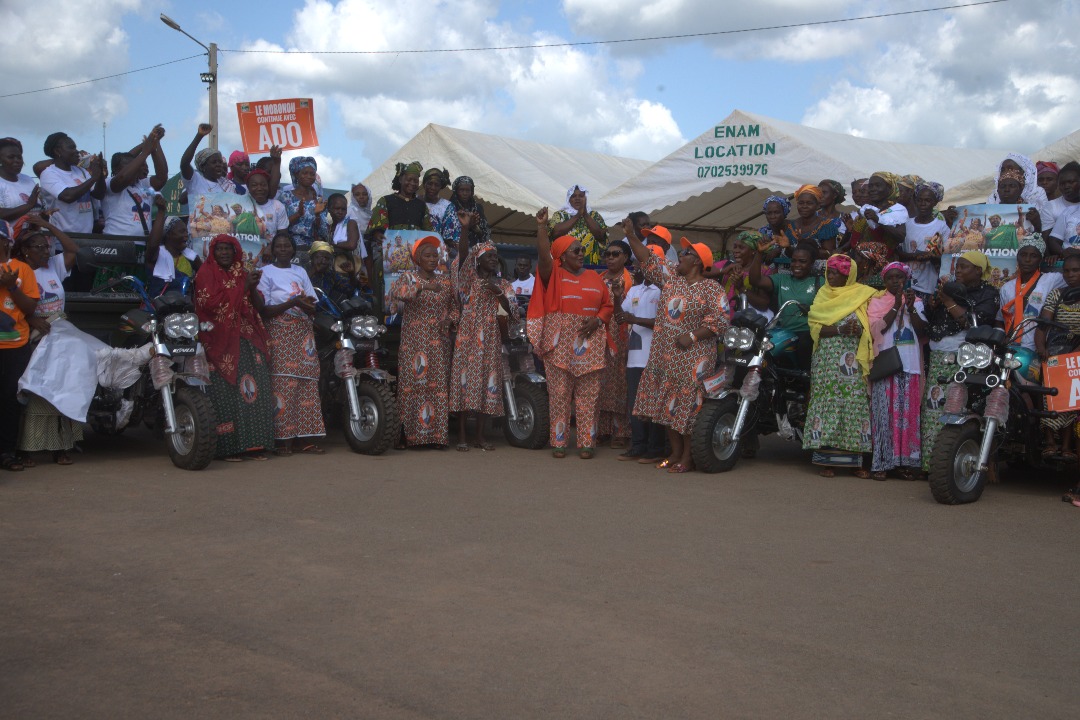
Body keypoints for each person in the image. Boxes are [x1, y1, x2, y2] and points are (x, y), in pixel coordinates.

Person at [623, 227, 729, 473]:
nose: (680, 255)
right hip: (666, 356)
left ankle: (688, 457)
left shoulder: (712, 288)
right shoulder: (672, 280)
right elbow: (649, 260)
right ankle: (675, 453)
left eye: (686, 253)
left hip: (694, 358)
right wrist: (631, 235)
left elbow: (721, 320)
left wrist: (692, 336)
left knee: (689, 408)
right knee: (668, 406)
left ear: (698, 261)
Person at [529, 208, 614, 458]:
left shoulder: (595, 277)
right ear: (562, 256)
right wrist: (542, 228)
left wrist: (598, 320)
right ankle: (559, 442)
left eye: (582, 249)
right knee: (559, 396)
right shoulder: (553, 274)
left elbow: (607, 305)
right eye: (575, 250)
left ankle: (587, 443)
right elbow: (544, 255)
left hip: (591, 343)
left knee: (589, 397)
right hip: (560, 346)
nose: (581, 253)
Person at [194, 234, 274, 462]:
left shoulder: (242, 272)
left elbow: (258, 305)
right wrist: (242, 288)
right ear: (213, 252)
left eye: (228, 249)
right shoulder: (205, 273)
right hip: (221, 341)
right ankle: (229, 448)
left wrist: (251, 287)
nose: (224, 253)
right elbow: (208, 304)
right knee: (227, 395)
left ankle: (256, 445)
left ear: (235, 251)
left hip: (248, 337)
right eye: (220, 249)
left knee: (256, 390)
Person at [921, 251, 1000, 473]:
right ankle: (931, 466)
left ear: (978, 270)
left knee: (959, 408)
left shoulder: (988, 293)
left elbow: (975, 323)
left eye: (964, 266)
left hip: (967, 357)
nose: (958, 270)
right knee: (933, 408)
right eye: (957, 266)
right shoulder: (949, 288)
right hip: (939, 356)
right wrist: (933, 304)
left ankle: (956, 467)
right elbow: (931, 319)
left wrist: (948, 302)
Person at [11, 215, 79, 465]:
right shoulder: (19, 270)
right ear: (25, 251)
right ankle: (25, 449)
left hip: (58, 332)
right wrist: (31, 319)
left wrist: (48, 226)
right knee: (34, 391)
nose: (45, 251)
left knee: (62, 387)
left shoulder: (54, 266)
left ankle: (61, 447)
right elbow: (11, 303)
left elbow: (72, 249)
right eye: (38, 247)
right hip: (34, 335)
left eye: (46, 246)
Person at [803, 254, 879, 477]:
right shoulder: (822, 295)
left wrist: (859, 330)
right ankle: (827, 462)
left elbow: (873, 321)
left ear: (849, 276)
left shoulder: (863, 294)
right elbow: (815, 327)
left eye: (837, 273)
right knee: (828, 403)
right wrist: (840, 330)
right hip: (826, 361)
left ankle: (856, 463)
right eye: (829, 272)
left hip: (853, 361)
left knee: (854, 405)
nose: (831, 276)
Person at [450, 214, 517, 451]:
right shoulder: (468, 280)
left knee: (488, 385)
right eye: (489, 256)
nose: (493, 260)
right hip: (467, 337)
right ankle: (461, 435)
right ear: (478, 261)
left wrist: (497, 291)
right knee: (464, 384)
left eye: (495, 257)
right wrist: (465, 229)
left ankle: (480, 436)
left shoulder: (503, 284)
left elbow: (513, 311)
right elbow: (462, 257)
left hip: (490, 337)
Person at [257, 232, 326, 455]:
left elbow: (311, 300)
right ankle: (281, 440)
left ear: (294, 249)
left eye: (287, 246)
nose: (283, 249)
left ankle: (304, 439)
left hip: (303, 331)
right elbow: (264, 309)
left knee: (307, 384)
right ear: (273, 250)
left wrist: (307, 305)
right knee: (282, 385)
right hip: (280, 330)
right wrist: (293, 302)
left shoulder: (300, 271)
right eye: (279, 246)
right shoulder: (266, 272)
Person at [389, 234, 459, 449]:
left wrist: (450, 320)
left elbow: (455, 308)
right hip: (414, 343)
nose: (432, 259)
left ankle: (437, 437)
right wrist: (424, 287)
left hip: (438, 343)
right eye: (427, 256)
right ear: (418, 259)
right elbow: (397, 293)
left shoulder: (445, 282)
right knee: (411, 387)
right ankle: (406, 437)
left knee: (437, 388)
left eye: (435, 256)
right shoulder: (408, 278)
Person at [867, 262, 928, 480]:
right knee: (883, 415)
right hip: (885, 365)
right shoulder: (876, 302)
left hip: (910, 365)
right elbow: (876, 330)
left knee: (906, 417)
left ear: (906, 279)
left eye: (899, 277)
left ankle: (905, 463)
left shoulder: (917, 302)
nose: (895, 281)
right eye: (890, 278)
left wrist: (910, 308)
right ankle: (882, 463)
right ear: (884, 281)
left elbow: (922, 331)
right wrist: (895, 305)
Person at [617, 244, 666, 462]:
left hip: (656, 357)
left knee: (654, 403)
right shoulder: (635, 290)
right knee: (635, 404)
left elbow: (665, 323)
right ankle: (638, 446)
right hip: (635, 357)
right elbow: (621, 316)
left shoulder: (665, 290)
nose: (636, 265)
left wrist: (634, 319)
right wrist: (617, 298)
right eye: (637, 261)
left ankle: (655, 449)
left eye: (641, 261)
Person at [0, 224, 40, 471]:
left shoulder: (22, 269)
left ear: (7, 241)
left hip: (15, 346)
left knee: (10, 401)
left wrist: (12, 286)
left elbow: (30, 308)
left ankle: (6, 452)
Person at [1035, 255, 1080, 469]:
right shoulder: (1057, 294)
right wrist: (1041, 347)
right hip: (1056, 352)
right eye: (1067, 271)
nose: (1070, 275)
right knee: (1049, 395)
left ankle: (1067, 447)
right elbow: (1043, 325)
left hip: (1076, 354)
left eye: (1075, 270)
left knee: (1071, 399)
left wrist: (1075, 355)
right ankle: (1050, 442)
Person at [747, 242, 822, 369]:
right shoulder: (782, 279)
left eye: (802, 261)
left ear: (812, 263)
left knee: (805, 344)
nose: (796, 265)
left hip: (806, 331)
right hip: (784, 331)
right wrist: (759, 253)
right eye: (794, 261)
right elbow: (755, 280)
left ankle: (806, 377)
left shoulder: (820, 282)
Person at [596, 239, 634, 449]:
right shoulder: (598, 279)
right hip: (598, 337)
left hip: (622, 339)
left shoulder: (632, 281)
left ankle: (622, 431)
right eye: (607, 254)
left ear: (625, 257)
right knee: (600, 383)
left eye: (615, 254)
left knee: (620, 384)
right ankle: (602, 429)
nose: (610, 258)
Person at [997, 234, 1063, 350]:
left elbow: (1073, 275)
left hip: (1038, 348)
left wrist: (1060, 257)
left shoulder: (1051, 280)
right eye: (1023, 255)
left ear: (1041, 259)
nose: (1027, 260)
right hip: (1010, 348)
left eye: (1033, 256)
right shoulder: (1006, 288)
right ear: (1017, 257)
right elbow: (1000, 320)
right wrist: (1001, 338)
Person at [101, 126, 168, 237]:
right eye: (131, 166)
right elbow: (123, 177)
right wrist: (145, 150)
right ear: (116, 170)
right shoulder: (109, 183)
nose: (136, 168)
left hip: (143, 243)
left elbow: (161, 178)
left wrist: (153, 147)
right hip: (117, 242)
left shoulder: (143, 186)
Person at [847, 171, 907, 287]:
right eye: (871, 186)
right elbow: (858, 238)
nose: (873, 189)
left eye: (878, 185)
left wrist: (878, 220)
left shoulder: (897, 210)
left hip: (883, 267)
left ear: (889, 188)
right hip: (861, 265)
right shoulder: (866, 209)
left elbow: (901, 236)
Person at [38, 132, 106, 234]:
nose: (76, 151)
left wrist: (100, 175)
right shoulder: (49, 174)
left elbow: (98, 195)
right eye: (71, 148)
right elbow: (67, 196)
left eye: (75, 148)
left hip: (87, 236)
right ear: (57, 151)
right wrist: (93, 178)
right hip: (63, 237)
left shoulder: (81, 171)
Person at [896, 181, 947, 300]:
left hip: (927, 287)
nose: (923, 204)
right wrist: (916, 256)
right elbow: (898, 253)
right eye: (919, 200)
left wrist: (929, 256)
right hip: (906, 284)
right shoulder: (906, 224)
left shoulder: (941, 227)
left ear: (935, 202)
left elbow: (946, 258)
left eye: (927, 200)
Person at [986, 154, 1055, 239]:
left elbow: (1045, 227)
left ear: (1023, 171)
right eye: (1003, 170)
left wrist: (1036, 222)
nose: (1007, 172)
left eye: (1010, 168)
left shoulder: (1037, 193)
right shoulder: (994, 197)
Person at [145, 196, 199, 297]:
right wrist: (161, 211)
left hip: (185, 305)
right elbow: (153, 244)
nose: (186, 235)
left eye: (186, 231)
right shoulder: (157, 256)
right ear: (168, 234)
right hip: (159, 305)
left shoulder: (192, 257)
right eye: (181, 232)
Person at [715, 231, 773, 317]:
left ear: (753, 251)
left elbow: (763, 305)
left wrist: (741, 288)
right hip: (721, 319)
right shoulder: (726, 265)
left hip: (744, 321)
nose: (736, 251)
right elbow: (702, 272)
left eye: (741, 247)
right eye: (735, 247)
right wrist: (724, 270)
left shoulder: (763, 271)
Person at [279, 157, 329, 254]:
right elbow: (280, 225)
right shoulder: (285, 197)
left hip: (312, 249)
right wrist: (298, 214)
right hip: (289, 248)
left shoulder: (318, 200)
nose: (309, 176)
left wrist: (317, 215)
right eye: (305, 173)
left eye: (312, 174)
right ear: (296, 174)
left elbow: (322, 231)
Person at [549, 185, 608, 266]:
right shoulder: (560, 215)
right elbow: (555, 233)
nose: (577, 198)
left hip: (590, 264)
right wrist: (578, 215)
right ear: (569, 199)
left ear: (585, 198)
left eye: (581, 196)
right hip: (564, 265)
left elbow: (600, 235)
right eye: (573, 196)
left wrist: (585, 214)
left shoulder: (594, 215)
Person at [440, 176, 491, 261]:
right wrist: (466, 226)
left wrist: (476, 229)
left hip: (476, 252)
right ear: (456, 191)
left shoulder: (477, 208)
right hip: (454, 253)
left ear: (472, 192)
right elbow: (446, 235)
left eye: (468, 190)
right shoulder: (449, 208)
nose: (465, 193)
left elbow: (486, 233)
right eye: (461, 190)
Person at [0, 138, 45, 232]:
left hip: (34, 237)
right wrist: (28, 205)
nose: (17, 160)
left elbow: (35, 208)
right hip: (9, 240)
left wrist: (44, 214)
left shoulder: (28, 179)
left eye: (19, 157)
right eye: (11, 157)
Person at [784, 184, 840, 260]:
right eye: (801, 203)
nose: (804, 206)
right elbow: (789, 253)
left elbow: (829, 254)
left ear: (818, 205)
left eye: (809, 203)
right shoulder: (791, 226)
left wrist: (805, 245)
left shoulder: (826, 226)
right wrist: (787, 247)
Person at [245, 168, 289, 262]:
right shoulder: (242, 205)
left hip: (269, 256)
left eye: (263, 185)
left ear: (268, 186)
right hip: (246, 254)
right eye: (254, 185)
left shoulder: (277, 206)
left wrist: (271, 247)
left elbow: (282, 234)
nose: (259, 188)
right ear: (248, 187)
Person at [180, 124, 235, 197]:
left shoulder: (227, 185)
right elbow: (184, 164)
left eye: (220, 162)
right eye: (214, 162)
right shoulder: (196, 180)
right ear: (203, 166)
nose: (219, 165)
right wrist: (199, 136)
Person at [307, 240, 360, 306]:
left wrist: (351, 273)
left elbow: (350, 289)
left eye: (327, 258)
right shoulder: (301, 271)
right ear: (312, 257)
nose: (323, 261)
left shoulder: (330, 275)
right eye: (320, 257)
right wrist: (312, 272)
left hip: (323, 310)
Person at [1048, 161, 1080, 258]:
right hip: (1070, 262)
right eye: (1062, 183)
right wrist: (1063, 252)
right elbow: (1053, 240)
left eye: (1071, 182)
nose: (1066, 186)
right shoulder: (1069, 212)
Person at [758, 195, 794, 273]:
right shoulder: (763, 232)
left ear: (784, 212)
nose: (773, 216)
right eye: (769, 213)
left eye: (777, 212)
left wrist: (779, 250)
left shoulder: (794, 228)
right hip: (770, 275)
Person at [422, 167, 452, 238]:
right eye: (430, 184)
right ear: (424, 184)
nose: (433, 188)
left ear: (441, 187)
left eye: (437, 185)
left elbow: (450, 236)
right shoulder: (414, 201)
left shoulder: (447, 207)